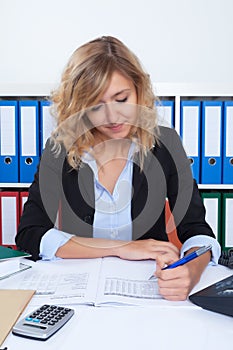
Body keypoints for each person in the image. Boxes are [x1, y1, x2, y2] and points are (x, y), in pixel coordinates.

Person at [16, 36, 220, 301]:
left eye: (122, 99)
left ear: (138, 91)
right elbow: (31, 234)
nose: (112, 118)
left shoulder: (166, 143)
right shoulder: (60, 148)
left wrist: (193, 270)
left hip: (146, 291)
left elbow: (197, 231)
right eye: (97, 105)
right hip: (82, 293)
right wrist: (123, 247)